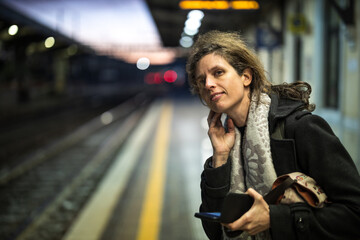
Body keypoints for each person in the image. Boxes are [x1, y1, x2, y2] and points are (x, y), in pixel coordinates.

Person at [186, 30, 360, 240]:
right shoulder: (226, 144)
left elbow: (354, 214)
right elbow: (214, 230)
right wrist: (220, 158)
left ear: (246, 77)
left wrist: (274, 219)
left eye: (218, 72)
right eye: (201, 79)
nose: (208, 84)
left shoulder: (301, 128)